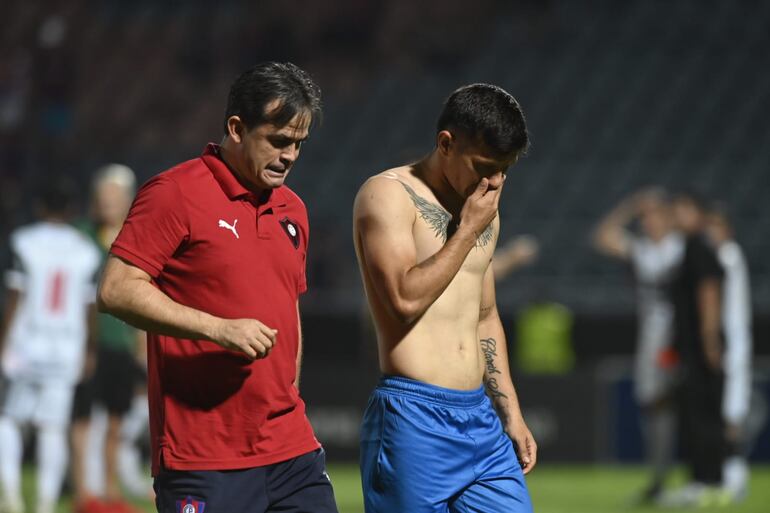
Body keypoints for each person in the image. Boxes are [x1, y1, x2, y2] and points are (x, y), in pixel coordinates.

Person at [96, 62, 338, 513]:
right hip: (205, 453)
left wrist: (291, 395)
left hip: (291, 448)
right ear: (237, 127)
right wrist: (218, 329)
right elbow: (115, 290)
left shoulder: (293, 209)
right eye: (278, 141)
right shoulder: (175, 193)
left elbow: (289, 311)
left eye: (298, 144)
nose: (289, 156)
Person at [353, 83, 536, 513]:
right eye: (485, 166)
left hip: (480, 420)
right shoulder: (387, 195)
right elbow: (403, 300)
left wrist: (510, 409)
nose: (493, 182)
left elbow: (485, 315)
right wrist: (469, 229)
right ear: (446, 143)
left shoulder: (482, 205)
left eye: (504, 170)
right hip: (413, 419)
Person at [0, 180, 101, 513]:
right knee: (53, 428)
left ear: (40, 208)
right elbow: (90, 308)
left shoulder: (23, 242)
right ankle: (44, 504)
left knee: (10, 420)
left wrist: (2, 340)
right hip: (66, 347)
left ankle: (11, 496)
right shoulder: (85, 250)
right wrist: (89, 349)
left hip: (26, 344)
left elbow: (15, 296)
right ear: (71, 211)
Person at [592, 188, 684, 501]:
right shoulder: (643, 249)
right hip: (653, 336)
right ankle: (660, 478)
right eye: (645, 216)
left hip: (679, 336)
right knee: (654, 404)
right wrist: (630, 206)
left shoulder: (681, 247)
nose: (649, 221)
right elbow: (602, 237)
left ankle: (700, 477)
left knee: (676, 403)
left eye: (655, 214)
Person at [70, 164, 146, 513]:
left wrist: (142, 344)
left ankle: (111, 491)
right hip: (84, 341)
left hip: (120, 341)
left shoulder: (135, 239)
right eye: (102, 197)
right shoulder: (80, 236)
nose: (107, 203)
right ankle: (83, 491)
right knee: (82, 418)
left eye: (113, 198)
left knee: (117, 420)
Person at [660, 192, 726, 507]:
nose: (677, 215)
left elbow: (709, 293)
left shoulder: (699, 247)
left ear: (699, 214)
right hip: (691, 347)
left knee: (702, 417)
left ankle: (707, 481)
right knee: (695, 415)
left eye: (683, 209)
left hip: (701, 349)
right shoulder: (689, 248)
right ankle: (706, 480)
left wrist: (710, 340)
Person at [705, 208, 753, 501]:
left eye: (715, 227)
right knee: (724, 413)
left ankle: (735, 476)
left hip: (733, 346)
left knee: (731, 413)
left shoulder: (728, 255)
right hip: (731, 344)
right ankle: (728, 474)